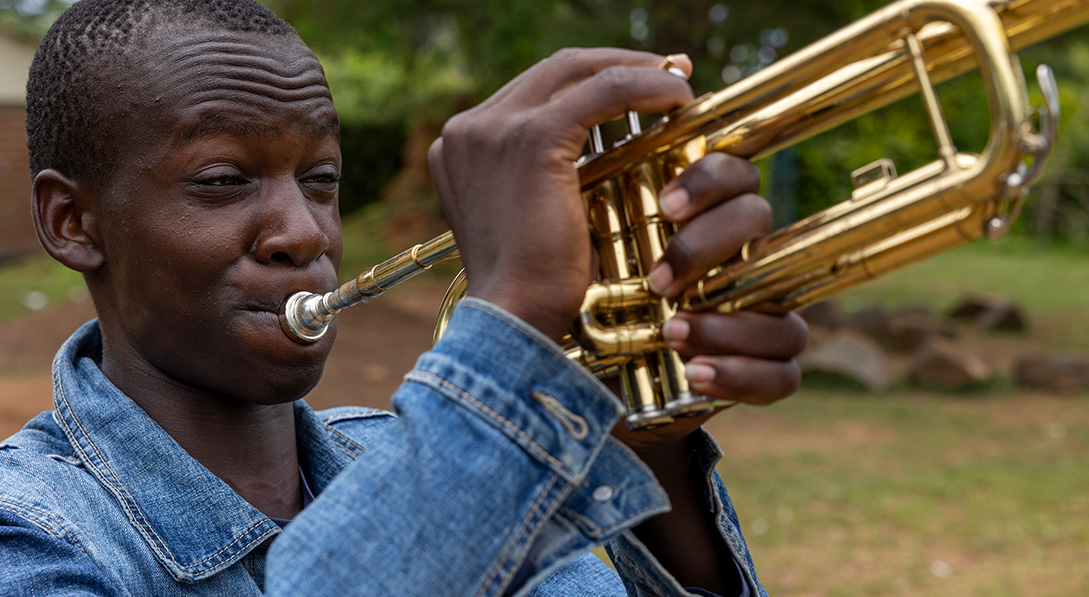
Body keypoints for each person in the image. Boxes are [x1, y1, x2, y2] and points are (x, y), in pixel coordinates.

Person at [0, 0, 808, 595]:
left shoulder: (419, 453)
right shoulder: (32, 528)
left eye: (321, 181)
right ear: (74, 222)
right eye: (222, 181)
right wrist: (514, 317)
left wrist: (648, 447)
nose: (305, 233)